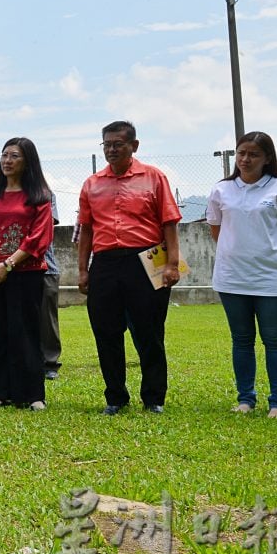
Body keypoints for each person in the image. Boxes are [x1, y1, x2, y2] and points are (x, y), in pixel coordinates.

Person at [77, 120, 182, 416]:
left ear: (133, 146)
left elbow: (169, 222)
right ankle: (115, 397)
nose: (111, 150)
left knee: (149, 331)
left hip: (146, 259)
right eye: (107, 144)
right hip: (106, 263)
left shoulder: (154, 177)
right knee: (106, 331)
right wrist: (83, 270)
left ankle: (153, 398)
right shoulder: (92, 184)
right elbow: (86, 229)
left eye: (117, 144)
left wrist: (172, 264)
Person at [206, 131, 277, 418]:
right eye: (241, 153)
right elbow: (216, 229)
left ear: (267, 158)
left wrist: (265, 252)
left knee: (275, 340)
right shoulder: (222, 190)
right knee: (242, 340)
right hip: (232, 278)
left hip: (270, 278)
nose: (245, 159)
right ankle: (246, 399)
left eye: (253, 154)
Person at [0, 138, 54, 411]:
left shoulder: (40, 196)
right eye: (4, 155)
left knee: (25, 332)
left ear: (27, 161)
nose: (7, 161)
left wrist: (7, 265)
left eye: (14, 156)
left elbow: (38, 238)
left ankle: (32, 394)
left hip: (24, 273)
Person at [41, 194, 62, 381]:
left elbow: (46, 224)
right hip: (15, 268)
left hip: (45, 267)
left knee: (48, 319)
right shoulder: (4, 193)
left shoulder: (44, 193)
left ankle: (50, 363)